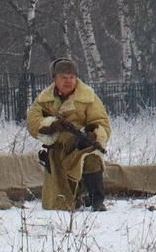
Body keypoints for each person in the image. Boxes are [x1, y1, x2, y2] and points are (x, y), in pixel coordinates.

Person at [27, 60, 110, 212]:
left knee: (92, 160)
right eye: (63, 77)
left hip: (81, 149)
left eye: (71, 77)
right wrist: (51, 125)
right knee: (58, 204)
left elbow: (102, 122)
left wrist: (93, 135)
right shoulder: (44, 100)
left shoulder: (88, 97)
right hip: (57, 155)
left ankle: (96, 201)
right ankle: (79, 197)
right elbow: (32, 121)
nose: (68, 81)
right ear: (55, 79)